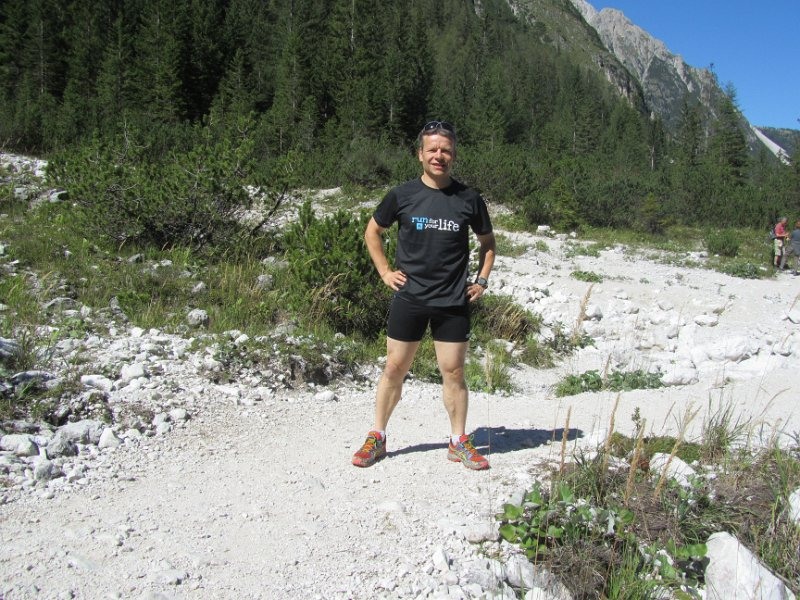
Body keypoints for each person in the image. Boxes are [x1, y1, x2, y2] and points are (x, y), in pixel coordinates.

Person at [352, 120, 496, 470]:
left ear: (454, 155)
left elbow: (488, 243)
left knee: (454, 372)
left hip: (452, 301)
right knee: (394, 368)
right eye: (432, 149)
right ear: (420, 154)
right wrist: (385, 272)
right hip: (410, 297)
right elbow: (372, 232)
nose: (438, 156)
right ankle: (377, 437)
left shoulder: (469, 199)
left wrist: (481, 280)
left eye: (445, 150)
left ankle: (458, 441)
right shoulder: (402, 195)